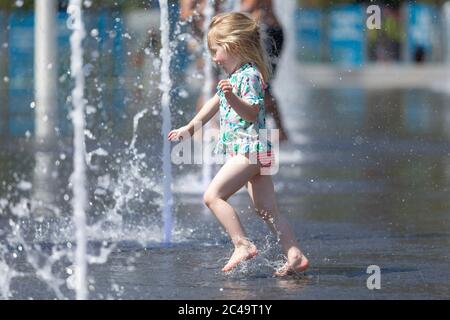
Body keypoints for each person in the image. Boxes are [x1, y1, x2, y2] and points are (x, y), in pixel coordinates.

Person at [168, 12, 308, 275]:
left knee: (213, 196)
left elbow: (252, 112)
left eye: (215, 50)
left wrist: (231, 98)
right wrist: (190, 127)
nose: (213, 57)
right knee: (267, 210)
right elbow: (213, 104)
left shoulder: (250, 76)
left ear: (232, 46)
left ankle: (241, 243)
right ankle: (294, 253)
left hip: (250, 151)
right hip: (257, 151)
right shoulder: (236, 76)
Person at [240, 0, 289, 141]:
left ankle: (278, 131)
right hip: (264, 33)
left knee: (262, 84)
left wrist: (223, 18)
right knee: (261, 85)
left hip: (268, 33)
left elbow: (248, 7)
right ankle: (278, 130)